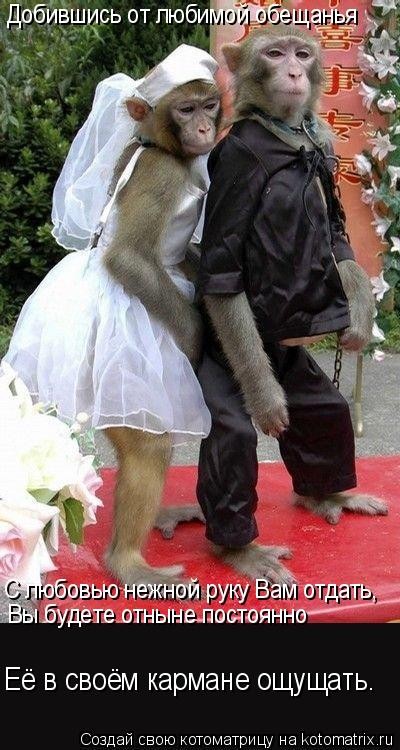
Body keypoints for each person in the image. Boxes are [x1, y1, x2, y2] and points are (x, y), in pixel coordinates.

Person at [3, 46, 217, 448]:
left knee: (140, 435)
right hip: (127, 305)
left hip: (95, 290)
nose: (204, 126)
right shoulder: (163, 168)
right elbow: (126, 257)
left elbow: (160, 243)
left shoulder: (144, 151)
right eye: (187, 111)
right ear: (141, 112)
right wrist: (189, 326)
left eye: (209, 108)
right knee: (147, 441)